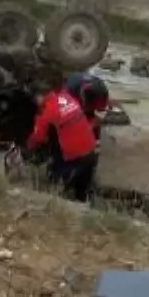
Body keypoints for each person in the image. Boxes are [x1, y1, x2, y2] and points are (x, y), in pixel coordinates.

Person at [26, 70, 99, 203]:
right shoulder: (66, 96)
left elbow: (38, 138)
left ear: (39, 96)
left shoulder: (47, 113)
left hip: (74, 159)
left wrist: (27, 146)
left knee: (58, 187)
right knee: (82, 195)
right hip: (91, 152)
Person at [65, 72, 111, 146]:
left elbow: (101, 115)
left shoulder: (102, 90)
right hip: (75, 91)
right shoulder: (70, 89)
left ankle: (95, 140)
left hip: (92, 92)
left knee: (93, 118)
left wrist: (93, 124)